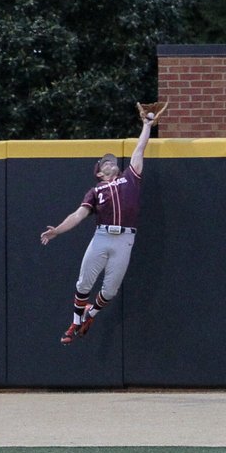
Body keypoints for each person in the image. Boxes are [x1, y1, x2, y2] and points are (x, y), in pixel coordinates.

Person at [40, 111, 156, 344]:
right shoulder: (96, 191)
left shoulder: (129, 178)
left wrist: (147, 125)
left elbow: (139, 149)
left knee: (110, 290)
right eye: (106, 163)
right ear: (100, 173)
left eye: (113, 161)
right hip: (102, 236)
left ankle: (90, 315)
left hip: (125, 239)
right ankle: (74, 323)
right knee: (83, 283)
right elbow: (78, 215)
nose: (112, 163)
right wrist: (57, 231)